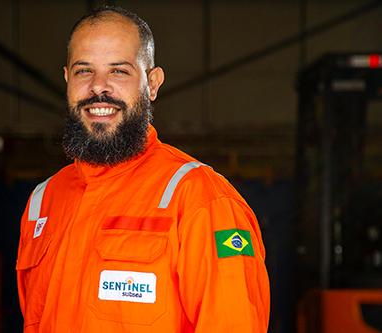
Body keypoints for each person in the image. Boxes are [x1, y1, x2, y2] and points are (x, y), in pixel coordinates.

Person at [16, 6, 270, 332]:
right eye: (84, 71)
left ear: (152, 84)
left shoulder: (201, 201)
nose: (98, 87)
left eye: (119, 71)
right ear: (67, 80)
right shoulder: (43, 202)